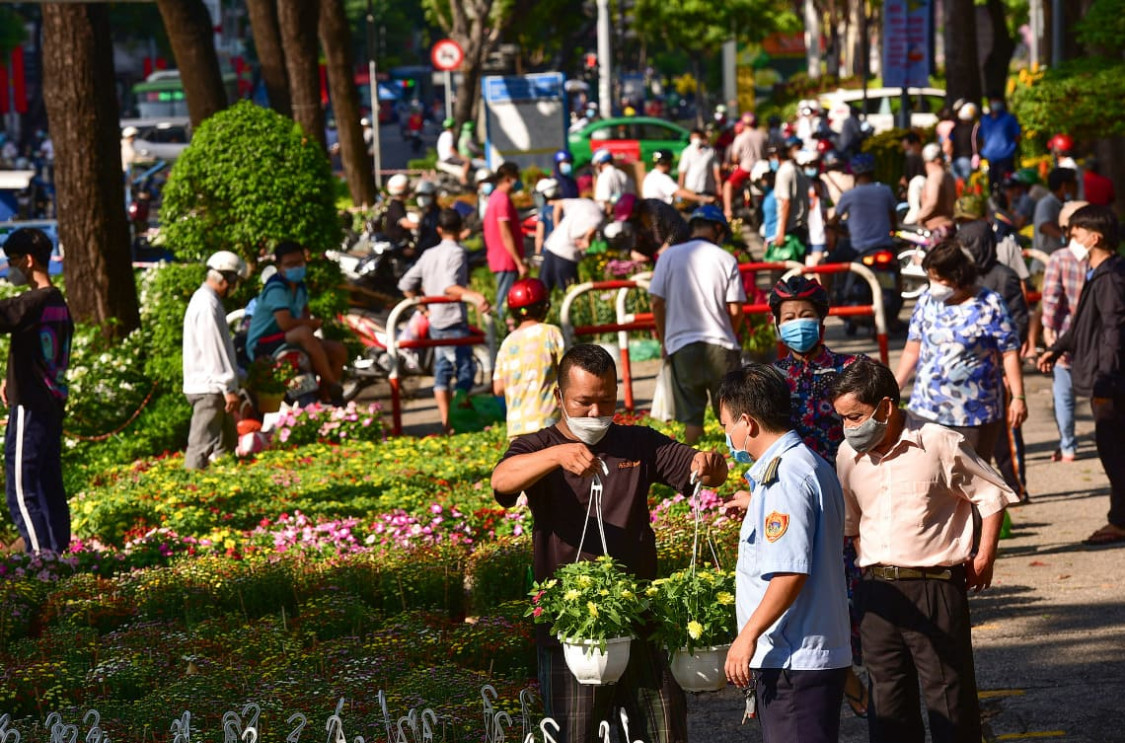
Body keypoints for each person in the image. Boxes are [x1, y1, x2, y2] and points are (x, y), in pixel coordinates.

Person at [492, 344, 729, 743]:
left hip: (641, 620)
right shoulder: (539, 445)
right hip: (570, 629)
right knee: (575, 734)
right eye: (584, 402)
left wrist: (711, 464)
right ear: (559, 397)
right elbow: (501, 480)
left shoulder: (637, 443)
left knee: (665, 731)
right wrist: (556, 457)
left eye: (606, 400)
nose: (595, 413)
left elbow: (699, 468)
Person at [832, 358, 1018, 743]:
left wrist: (984, 557)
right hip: (877, 592)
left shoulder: (937, 441)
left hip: (934, 588)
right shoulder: (847, 456)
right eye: (844, 419)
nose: (850, 428)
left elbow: (993, 496)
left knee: (950, 699)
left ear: (885, 406)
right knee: (887, 705)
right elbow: (853, 527)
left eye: (856, 417)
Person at [719, 363, 851, 743]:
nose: (727, 435)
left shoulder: (783, 479)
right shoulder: (801, 464)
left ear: (748, 423)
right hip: (806, 655)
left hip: (794, 659)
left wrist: (747, 637)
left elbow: (790, 573)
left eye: (728, 425)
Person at [758, 276, 869, 716]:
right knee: (806, 595)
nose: (798, 324)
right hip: (793, 503)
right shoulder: (769, 378)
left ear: (821, 320)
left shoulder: (850, 370)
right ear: (776, 324)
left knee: (855, 594)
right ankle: (841, 682)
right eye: (789, 318)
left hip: (850, 498)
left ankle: (871, 676)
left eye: (806, 316)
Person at [1038, 205, 1125, 546]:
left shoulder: (1111, 277)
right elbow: (1083, 324)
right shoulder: (1100, 272)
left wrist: (1105, 380)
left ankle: (1119, 521)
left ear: (1094, 237)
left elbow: (1113, 331)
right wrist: (1057, 348)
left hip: (1110, 381)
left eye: (1074, 235)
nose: (1070, 241)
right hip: (1104, 377)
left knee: (1113, 449)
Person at [895, 239, 1027, 460]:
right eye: (931, 278)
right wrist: (895, 387)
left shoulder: (990, 304)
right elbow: (912, 349)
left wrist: (1018, 396)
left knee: (970, 481)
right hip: (927, 408)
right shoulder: (927, 301)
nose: (933, 284)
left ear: (958, 277)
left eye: (939, 279)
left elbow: (1009, 352)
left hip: (974, 413)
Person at [0, 228, 73, 555]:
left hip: (30, 403)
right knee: (48, 484)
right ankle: (58, 554)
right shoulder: (57, 301)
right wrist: (10, 377)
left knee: (20, 488)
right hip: (51, 402)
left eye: (12, 261)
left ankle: (41, 559)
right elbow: (39, 350)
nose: (10, 268)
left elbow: (6, 314)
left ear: (28, 261)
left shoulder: (32, 301)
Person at [648, 206, 745, 445]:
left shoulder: (668, 256)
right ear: (718, 229)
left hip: (680, 346)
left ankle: (691, 472)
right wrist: (729, 333)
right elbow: (736, 309)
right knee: (731, 416)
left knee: (692, 420)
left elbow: (656, 303)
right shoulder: (726, 259)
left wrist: (665, 340)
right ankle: (735, 470)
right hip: (721, 345)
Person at [398, 209, 491, 433]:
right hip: (453, 320)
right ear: (460, 229)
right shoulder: (457, 252)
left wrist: (423, 308)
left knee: (442, 371)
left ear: (439, 230)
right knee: (465, 371)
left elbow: (405, 284)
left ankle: (447, 422)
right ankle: (458, 421)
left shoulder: (429, 253)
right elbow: (449, 286)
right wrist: (475, 296)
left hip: (436, 322)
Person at [958, 220, 1031, 500]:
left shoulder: (1005, 276)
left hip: (1001, 367)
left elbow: (1019, 321)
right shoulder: (966, 278)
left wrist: (1005, 365)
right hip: (976, 372)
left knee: (1008, 436)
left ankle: (1017, 486)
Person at [245, 241, 348, 402]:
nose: (296, 268)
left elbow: (305, 315)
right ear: (279, 266)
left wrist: (311, 325)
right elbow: (285, 324)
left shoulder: (300, 287)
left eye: (299, 263)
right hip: (264, 343)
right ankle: (332, 384)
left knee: (337, 350)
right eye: (290, 264)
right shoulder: (276, 288)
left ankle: (325, 394)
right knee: (305, 333)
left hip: (289, 339)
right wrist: (312, 324)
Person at [183, 251, 249, 471]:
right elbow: (214, 350)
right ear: (226, 278)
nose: (235, 286)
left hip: (214, 387)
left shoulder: (208, 301)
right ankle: (189, 490)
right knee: (200, 446)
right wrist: (228, 386)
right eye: (235, 281)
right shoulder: (206, 305)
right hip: (209, 389)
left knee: (226, 444)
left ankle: (223, 485)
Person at [1040, 200, 1090, 463]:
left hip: (1063, 338)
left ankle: (1068, 447)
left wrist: (1049, 335)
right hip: (1093, 340)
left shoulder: (1059, 259)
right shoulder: (1100, 258)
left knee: (1064, 394)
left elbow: (1050, 300)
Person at [492, 279, 565, 439]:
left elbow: (498, 388)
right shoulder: (551, 333)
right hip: (548, 423)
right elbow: (567, 371)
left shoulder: (507, 343)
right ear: (544, 306)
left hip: (516, 428)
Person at [830, 153, 897, 256]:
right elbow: (893, 219)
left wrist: (845, 234)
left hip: (858, 249)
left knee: (828, 263)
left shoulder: (849, 195)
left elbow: (833, 222)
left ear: (854, 173)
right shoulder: (885, 190)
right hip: (884, 246)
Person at [483, 162, 527, 317]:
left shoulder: (495, 197)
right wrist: (519, 262)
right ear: (509, 179)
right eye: (517, 178)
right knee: (505, 304)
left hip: (500, 258)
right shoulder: (502, 200)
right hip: (506, 260)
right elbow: (505, 234)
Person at [541, 194, 604, 294]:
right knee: (572, 293)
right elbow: (591, 231)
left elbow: (558, 204)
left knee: (543, 290)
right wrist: (586, 241)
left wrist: (557, 227)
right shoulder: (599, 216)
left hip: (553, 245)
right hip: (567, 253)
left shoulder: (583, 202)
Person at [603, 193, 690, 264]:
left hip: (681, 252)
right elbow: (635, 238)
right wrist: (632, 252)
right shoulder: (635, 221)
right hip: (661, 258)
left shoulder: (657, 209)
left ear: (635, 209)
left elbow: (678, 229)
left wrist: (665, 247)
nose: (629, 220)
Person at [724, 113, 768, 219]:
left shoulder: (741, 137)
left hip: (746, 168)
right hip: (762, 167)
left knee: (727, 185)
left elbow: (735, 158)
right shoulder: (763, 135)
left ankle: (728, 211)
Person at [771, 137, 811, 250]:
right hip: (800, 226)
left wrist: (781, 232)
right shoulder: (797, 170)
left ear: (777, 156)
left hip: (790, 229)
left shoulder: (784, 172)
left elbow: (786, 202)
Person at [642, 149, 713, 206]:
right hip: (660, 212)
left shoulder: (651, 176)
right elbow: (680, 193)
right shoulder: (661, 178)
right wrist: (704, 199)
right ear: (668, 163)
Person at [1033, 167, 1078, 256]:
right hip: (1045, 261)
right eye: (1074, 184)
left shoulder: (1065, 204)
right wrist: (1065, 237)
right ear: (1064, 186)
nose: (1076, 187)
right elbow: (1044, 225)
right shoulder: (1046, 203)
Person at [979, 94, 1021, 186]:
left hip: (1006, 157)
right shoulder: (985, 119)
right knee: (991, 184)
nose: (995, 103)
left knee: (1007, 185)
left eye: (996, 101)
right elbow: (981, 137)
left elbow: (1017, 135)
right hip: (990, 158)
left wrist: (1011, 148)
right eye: (993, 101)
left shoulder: (1009, 118)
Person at [914, 143, 956, 234]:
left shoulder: (934, 176)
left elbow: (932, 202)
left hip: (936, 228)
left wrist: (918, 218)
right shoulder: (949, 176)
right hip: (950, 226)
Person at [677, 129, 721, 200]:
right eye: (693, 137)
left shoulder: (711, 151)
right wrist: (680, 189)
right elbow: (682, 172)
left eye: (697, 137)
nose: (695, 140)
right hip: (691, 189)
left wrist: (718, 185)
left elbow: (716, 170)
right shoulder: (687, 152)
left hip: (707, 189)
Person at [947, 102, 980, 182]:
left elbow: (949, 144)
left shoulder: (954, 129)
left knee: (957, 186)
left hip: (955, 160)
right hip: (968, 159)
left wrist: (949, 158)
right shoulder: (974, 128)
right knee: (966, 186)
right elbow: (979, 143)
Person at [383, 174, 416, 248]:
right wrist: (421, 225)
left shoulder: (398, 204)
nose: (409, 189)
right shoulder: (395, 205)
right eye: (407, 187)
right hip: (397, 244)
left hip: (399, 243)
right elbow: (405, 223)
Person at [436, 117, 470, 185]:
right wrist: (460, 156)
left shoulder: (442, 135)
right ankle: (463, 179)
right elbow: (451, 149)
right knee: (467, 162)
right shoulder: (449, 135)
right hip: (448, 157)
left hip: (442, 157)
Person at [413, 180, 442, 254]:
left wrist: (416, 250)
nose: (422, 198)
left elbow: (433, 237)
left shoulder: (436, 214)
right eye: (419, 195)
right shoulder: (426, 212)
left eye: (424, 195)